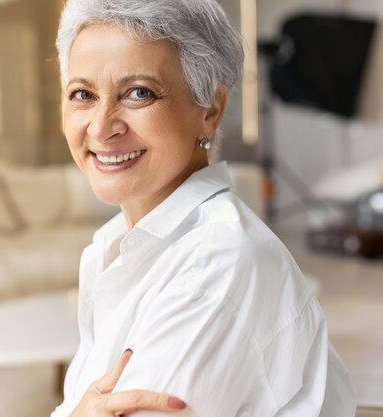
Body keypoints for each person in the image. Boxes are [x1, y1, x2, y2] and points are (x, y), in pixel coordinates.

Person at [50, 0, 357, 416]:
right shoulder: (111, 250)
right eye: (83, 94)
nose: (102, 126)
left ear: (211, 111)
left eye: (138, 93)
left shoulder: (213, 264)